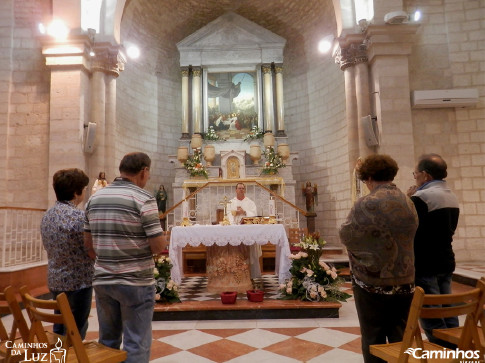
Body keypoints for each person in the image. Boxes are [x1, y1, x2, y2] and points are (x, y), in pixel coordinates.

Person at [84, 152, 165, 362]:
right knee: (136, 342)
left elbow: (88, 246)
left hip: (103, 279)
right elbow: (158, 247)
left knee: (108, 342)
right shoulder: (144, 199)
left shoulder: (94, 198)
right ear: (144, 171)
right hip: (135, 282)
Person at [339, 154, 418, 363]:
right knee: (399, 335)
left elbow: (346, 234)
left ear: (369, 177)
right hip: (405, 279)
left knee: (373, 335)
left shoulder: (366, 203)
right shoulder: (408, 201)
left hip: (372, 283)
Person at [407, 153, 460, 347]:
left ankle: (444, 353)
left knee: (431, 315)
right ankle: (457, 350)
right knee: (448, 309)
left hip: (425, 262)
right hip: (446, 259)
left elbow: (409, 227)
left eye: (416, 174)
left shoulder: (422, 197)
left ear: (426, 175)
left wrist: (409, 199)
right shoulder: (451, 195)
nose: (415, 178)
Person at [41, 168, 93, 339]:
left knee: (59, 328)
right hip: (78, 282)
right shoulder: (78, 217)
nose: (85, 192)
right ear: (76, 192)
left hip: (55, 279)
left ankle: (58, 357)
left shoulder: (48, 215)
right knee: (75, 333)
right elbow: (90, 249)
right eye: (85, 189)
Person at [226, 183, 261, 278]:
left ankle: (249, 274)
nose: (241, 190)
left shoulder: (250, 202)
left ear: (245, 190)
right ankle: (235, 273)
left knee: (248, 251)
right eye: (239, 188)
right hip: (234, 229)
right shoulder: (231, 202)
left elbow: (254, 214)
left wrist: (244, 212)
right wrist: (234, 217)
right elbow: (228, 214)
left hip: (247, 229)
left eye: (243, 188)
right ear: (236, 190)